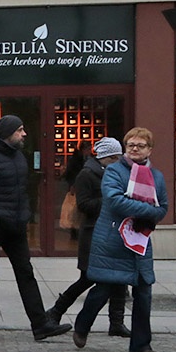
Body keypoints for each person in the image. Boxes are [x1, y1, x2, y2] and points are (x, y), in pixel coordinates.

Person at [72, 127, 168, 352]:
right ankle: (82, 324)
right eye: (131, 145)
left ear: (149, 149)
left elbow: (163, 207)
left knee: (143, 292)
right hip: (113, 239)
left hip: (140, 241)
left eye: (140, 145)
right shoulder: (114, 171)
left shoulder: (156, 176)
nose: (135, 149)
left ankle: (141, 344)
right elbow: (116, 201)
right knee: (104, 287)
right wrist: (149, 211)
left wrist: (153, 213)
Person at [0, 115, 71, 341]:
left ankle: (40, 325)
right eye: (19, 130)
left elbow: (23, 188)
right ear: (7, 132)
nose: (24, 134)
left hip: (16, 223)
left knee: (26, 273)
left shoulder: (18, 155)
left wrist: (26, 213)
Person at [46, 137, 130, 337]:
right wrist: (113, 199)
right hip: (93, 232)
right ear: (107, 157)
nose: (119, 161)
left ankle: (116, 322)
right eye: (116, 157)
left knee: (120, 277)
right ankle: (56, 311)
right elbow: (84, 205)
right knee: (88, 277)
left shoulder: (115, 173)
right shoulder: (87, 174)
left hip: (115, 231)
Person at [63, 140, 92, 240]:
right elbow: (70, 173)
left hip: (86, 187)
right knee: (74, 209)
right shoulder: (75, 159)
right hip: (76, 186)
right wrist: (72, 185)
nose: (90, 151)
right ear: (83, 149)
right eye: (88, 149)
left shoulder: (90, 159)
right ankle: (74, 231)